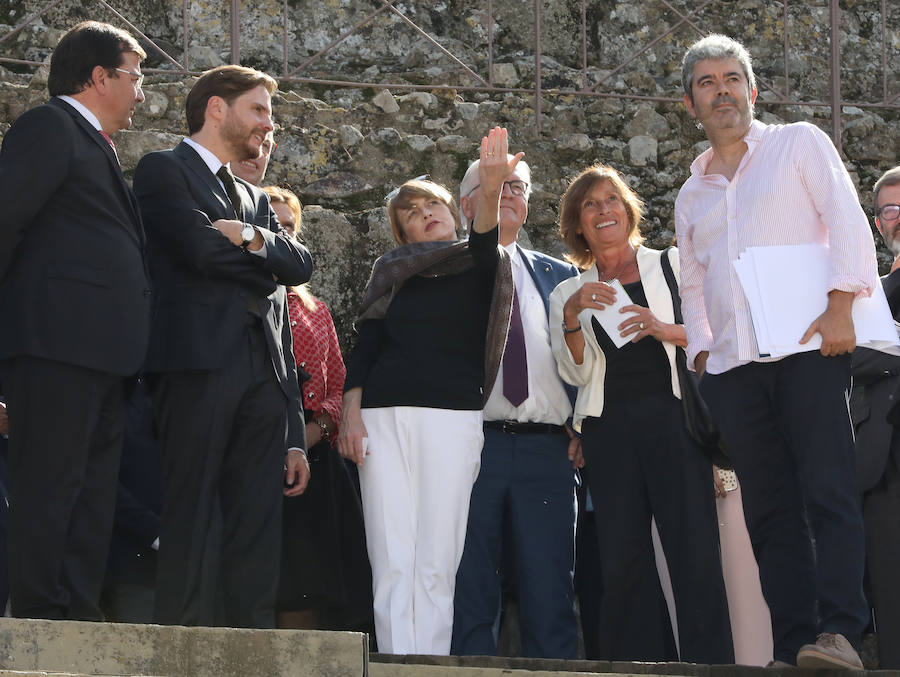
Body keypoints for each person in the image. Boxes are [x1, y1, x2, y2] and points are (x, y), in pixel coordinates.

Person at [675, 34, 878, 669]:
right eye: (707, 82)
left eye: (732, 77)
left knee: (828, 491)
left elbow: (846, 219)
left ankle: (842, 632)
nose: (722, 90)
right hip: (734, 372)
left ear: (753, 91)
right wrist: (703, 356)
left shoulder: (798, 144)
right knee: (769, 514)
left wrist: (844, 302)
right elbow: (690, 282)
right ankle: (795, 645)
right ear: (691, 105)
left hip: (810, 350)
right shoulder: (691, 196)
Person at [133, 64, 313, 629]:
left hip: (262, 371)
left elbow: (299, 265)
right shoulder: (163, 169)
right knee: (192, 509)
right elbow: (197, 252)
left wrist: (250, 237)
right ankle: (183, 639)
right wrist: (261, 261)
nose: (268, 122)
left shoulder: (254, 199)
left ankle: (251, 641)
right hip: (196, 363)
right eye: (259, 109)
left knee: (256, 517)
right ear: (217, 107)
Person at [337, 126, 515, 655]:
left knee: (437, 556)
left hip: (451, 419)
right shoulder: (390, 273)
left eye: (431, 204)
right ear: (403, 234)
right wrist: (351, 413)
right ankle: (394, 662)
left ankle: (428, 663)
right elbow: (365, 349)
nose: (424, 214)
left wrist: (490, 185)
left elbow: (486, 237)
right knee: (392, 555)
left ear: (453, 211)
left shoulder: (482, 264)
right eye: (410, 213)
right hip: (381, 418)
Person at [548, 164, 733, 663]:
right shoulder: (567, 292)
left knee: (694, 554)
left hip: (675, 423)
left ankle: (710, 667)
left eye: (611, 199)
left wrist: (661, 327)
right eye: (590, 204)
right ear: (578, 225)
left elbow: (715, 330)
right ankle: (642, 668)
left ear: (628, 211)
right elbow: (576, 373)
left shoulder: (672, 264)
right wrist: (571, 319)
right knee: (623, 562)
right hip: (609, 434)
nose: (603, 209)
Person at [0, 21, 150, 621]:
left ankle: (77, 620)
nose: (142, 92)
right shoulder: (48, 127)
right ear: (98, 77)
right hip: (55, 350)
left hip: (103, 360)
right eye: (135, 76)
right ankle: (38, 619)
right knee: (50, 489)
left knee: (91, 498)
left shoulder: (94, 146)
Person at [451, 153, 581, 660]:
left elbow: (588, 359)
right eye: (497, 184)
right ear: (468, 203)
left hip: (548, 452)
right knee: (471, 585)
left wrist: (583, 424)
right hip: (470, 446)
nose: (510, 194)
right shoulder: (443, 270)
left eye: (520, 187)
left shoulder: (562, 275)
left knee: (551, 587)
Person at [264, 186, 373, 634]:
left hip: (312, 460)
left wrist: (311, 434)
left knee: (307, 579)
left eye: (289, 226)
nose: (281, 232)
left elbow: (336, 383)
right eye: (272, 224)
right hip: (254, 453)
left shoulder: (316, 310)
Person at [852, 166, 900, 669]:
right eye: (890, 209)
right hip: (881, 464)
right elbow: (849, 357)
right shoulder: (871, 294)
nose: (899, 217)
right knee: (890, 599)